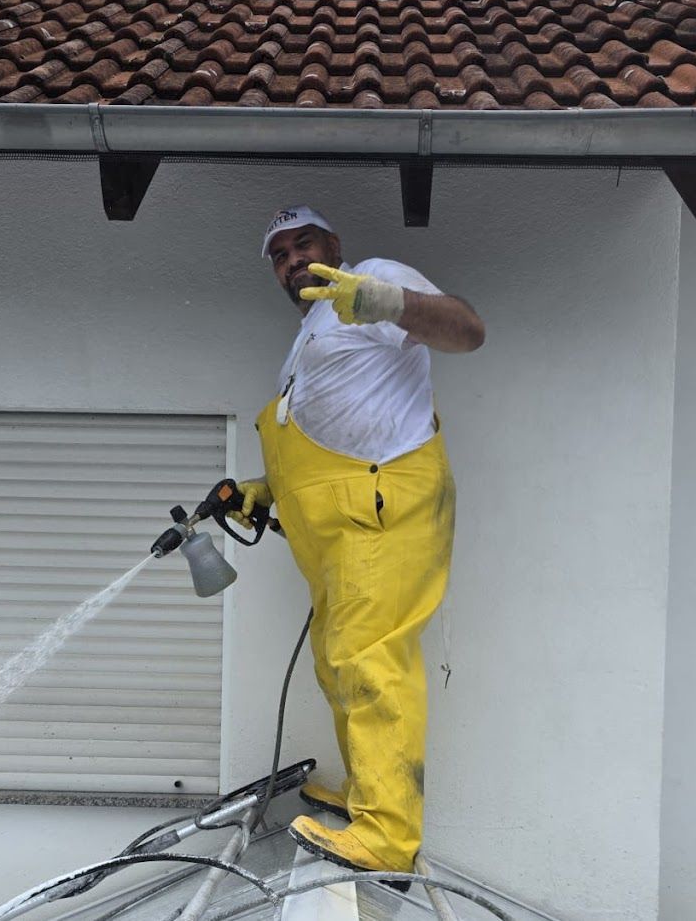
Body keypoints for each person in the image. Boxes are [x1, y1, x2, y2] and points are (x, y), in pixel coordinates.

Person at [235, 205, 485, 887]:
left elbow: (466, 328)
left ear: (334, 246)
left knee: (369, 656)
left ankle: (388, 833)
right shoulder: (310, 332)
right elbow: (335, 430)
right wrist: (267, 488)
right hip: (340, 525)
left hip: (385, 510)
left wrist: (382, 300)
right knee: (337, 660)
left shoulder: (370, 281)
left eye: (303, 242)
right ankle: (368, 793)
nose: (292, 259)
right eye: (279, 253)